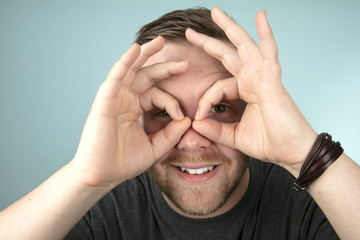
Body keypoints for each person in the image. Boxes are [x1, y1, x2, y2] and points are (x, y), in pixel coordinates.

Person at [0, 6, 359, 240]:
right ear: (137, 120)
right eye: (163, 112)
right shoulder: (100, 205)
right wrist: (85, 176)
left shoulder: (316, 197)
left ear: (250, 110)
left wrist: (303, 152)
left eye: (218, 107)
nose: (190, 142)